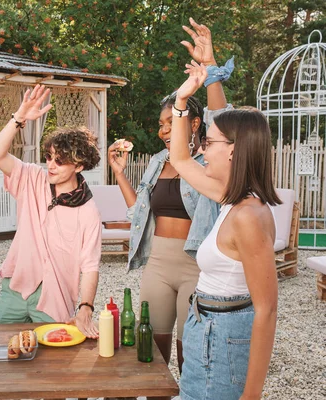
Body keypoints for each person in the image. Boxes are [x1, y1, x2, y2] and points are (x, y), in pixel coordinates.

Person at [107, 19, 228, 371]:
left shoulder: (211, 161)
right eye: (160, 124)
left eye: (169, 122)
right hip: (157, 265)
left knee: (189, 354)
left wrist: (208, 65)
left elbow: (221, 116)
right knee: (150, 354)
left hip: (196, 266)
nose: (163, 130)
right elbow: (139, 213)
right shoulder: (158, 162)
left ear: (192, 123)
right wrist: (119, 174)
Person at [170, 61, 280, 399]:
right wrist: (181, 103)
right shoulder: (232, 199)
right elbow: (181, 160)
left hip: (222, 336)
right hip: (204, 325)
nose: (203, 149)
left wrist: (252, 394)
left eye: (210, 142)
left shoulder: (248, 215)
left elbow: (267, 310)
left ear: (233, 150)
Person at [0, 84, 101, 338]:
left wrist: (86, 308)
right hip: (15, 288)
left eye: (60, 161)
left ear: (79, 166)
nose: (51, 165)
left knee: (56, 365)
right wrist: (19, 118)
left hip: (55, 297)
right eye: (49, 156)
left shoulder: (88, 210)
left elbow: (90, 265)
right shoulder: (32, 178)